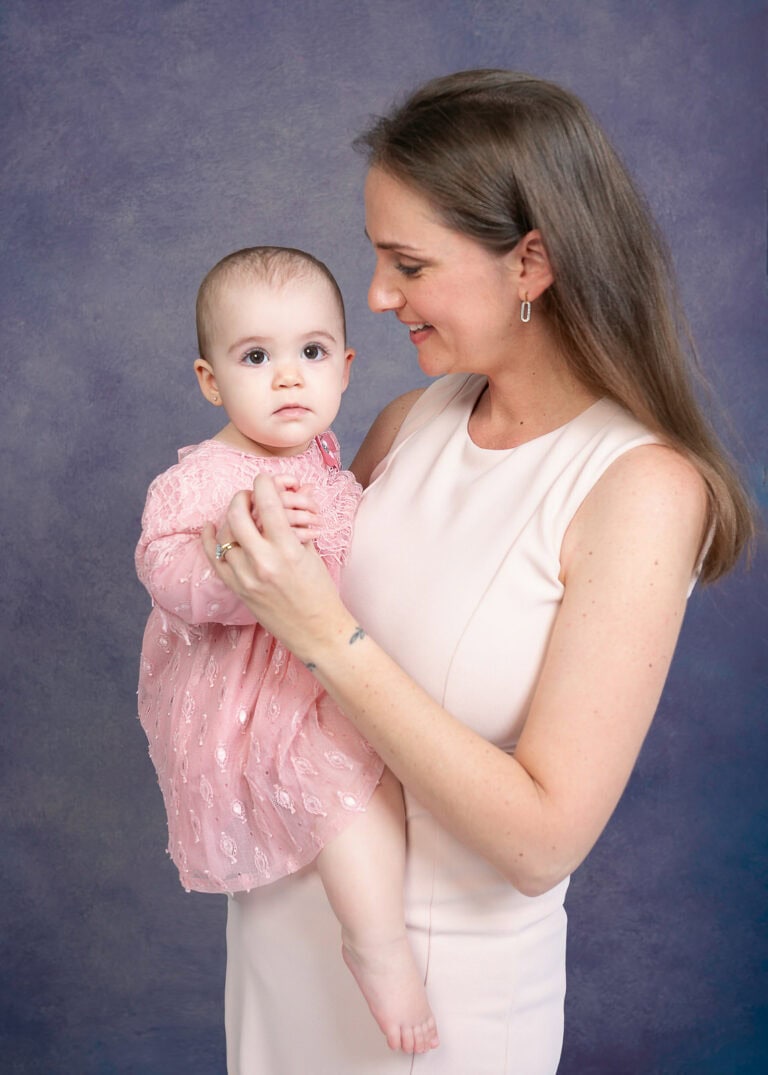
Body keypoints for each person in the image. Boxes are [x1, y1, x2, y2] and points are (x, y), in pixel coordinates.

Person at [204, 73, 755, 1074]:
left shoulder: (641, 488)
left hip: (438, 1007)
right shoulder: (409, 424)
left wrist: (325, 634)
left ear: (530, 262)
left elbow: (543, 841)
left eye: (408, 263)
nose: (377, 296)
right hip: (282, 952)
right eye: (378, 258)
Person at [135, 246, 438, 1055]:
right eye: (255, 358)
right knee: (341, 794)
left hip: (326, 672)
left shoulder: (333, 470)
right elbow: (164, 572)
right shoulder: (203, 480)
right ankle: (376, 943)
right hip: (250, 698)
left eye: (310, 351)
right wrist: (229, 554)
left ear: (344, 367)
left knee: (376, 789)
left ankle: (377, 928)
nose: (288, 378)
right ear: (211, 382)